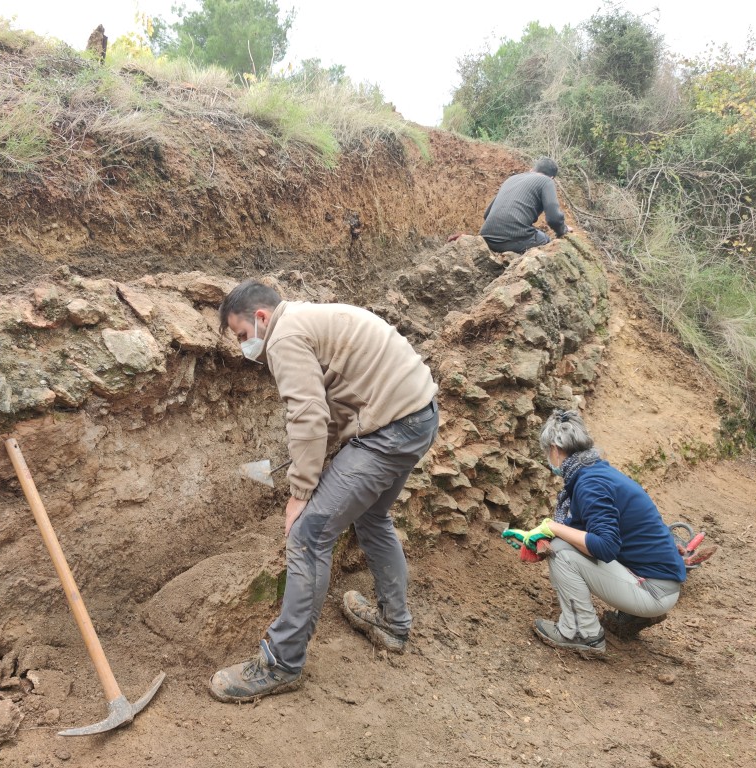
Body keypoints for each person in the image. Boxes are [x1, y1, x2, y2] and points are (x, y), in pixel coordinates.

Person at [210, 279, 439, 702]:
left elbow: (308, 416)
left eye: (242, 335)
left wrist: (300, 493)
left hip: (390, 428)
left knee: (308, 534)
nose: (245, 345)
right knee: (372, 517)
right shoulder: (308, 319)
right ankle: (393, 624)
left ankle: (280, 663)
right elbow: (331, 413)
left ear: (260, 317)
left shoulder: (283, 337)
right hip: (419, 416)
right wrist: (323, 459)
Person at [502, 409, 686, 655]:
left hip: (654, 592)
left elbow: (605, 547)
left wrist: (552, 527)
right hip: (661, 582)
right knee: (558, 541)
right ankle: (606, 621)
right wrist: (534, 536)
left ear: (554, 450)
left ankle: (582, 632)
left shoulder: (590, 484)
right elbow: (582, 531)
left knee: (559, 551)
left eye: (547, 452)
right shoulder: (596, 472)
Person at [478, 157, 569, 254]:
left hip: (486, 238)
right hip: (513, 240)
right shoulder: (546, 181)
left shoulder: (511, 179)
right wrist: (563, 230)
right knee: (547, 243)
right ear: (552, 178)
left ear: (532, 170)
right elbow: (554, 219)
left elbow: (486, 214)